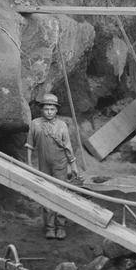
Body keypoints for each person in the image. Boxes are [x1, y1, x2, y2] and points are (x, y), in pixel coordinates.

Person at [25, 93, 80, 240]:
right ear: (42, 109)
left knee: (61, 194)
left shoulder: (62, 126)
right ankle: (49, 228)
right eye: (46, 109)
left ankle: (60, 227)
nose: (49, 112)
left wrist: (73, 165)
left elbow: (68, 146)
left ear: (57, 110)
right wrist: (29, 163)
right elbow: (30, 145)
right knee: (47, 194)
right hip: (44, 165)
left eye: (52, 109)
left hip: (60, 164)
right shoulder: (35, 124)